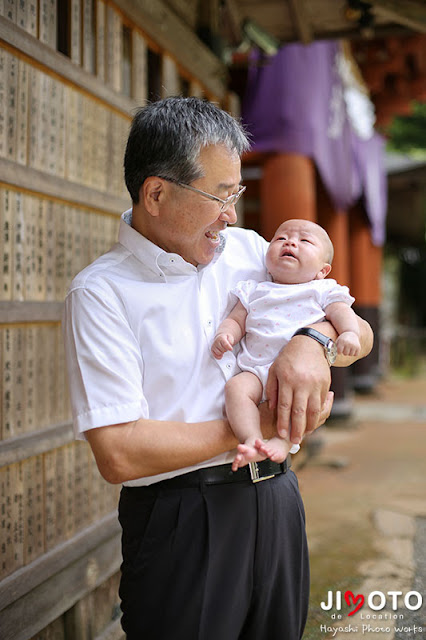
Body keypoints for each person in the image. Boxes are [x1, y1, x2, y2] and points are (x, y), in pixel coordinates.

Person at [63, 97, 373, 640]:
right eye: (220, 196)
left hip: (277, 499)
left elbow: (355, 330)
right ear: (156, 193)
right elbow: (118, 452)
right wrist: (261, 427)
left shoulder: (251, 251)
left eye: (237, 194)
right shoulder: (101, 292)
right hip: (183, 518)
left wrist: (312, 340)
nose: (231, 214)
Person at [212, 218, 361, 470]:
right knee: (236, 390)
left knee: (296, 402)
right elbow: (236, 320)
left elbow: (342, 313)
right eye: (281, 238)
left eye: (304, 241)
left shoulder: (322, 290)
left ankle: (285, 441)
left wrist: (349, 333)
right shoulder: (254, 290)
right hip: (255, 371)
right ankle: (251, 437)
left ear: (322, 270)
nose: (290, 241)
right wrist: (225, 335)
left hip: (297, 375)